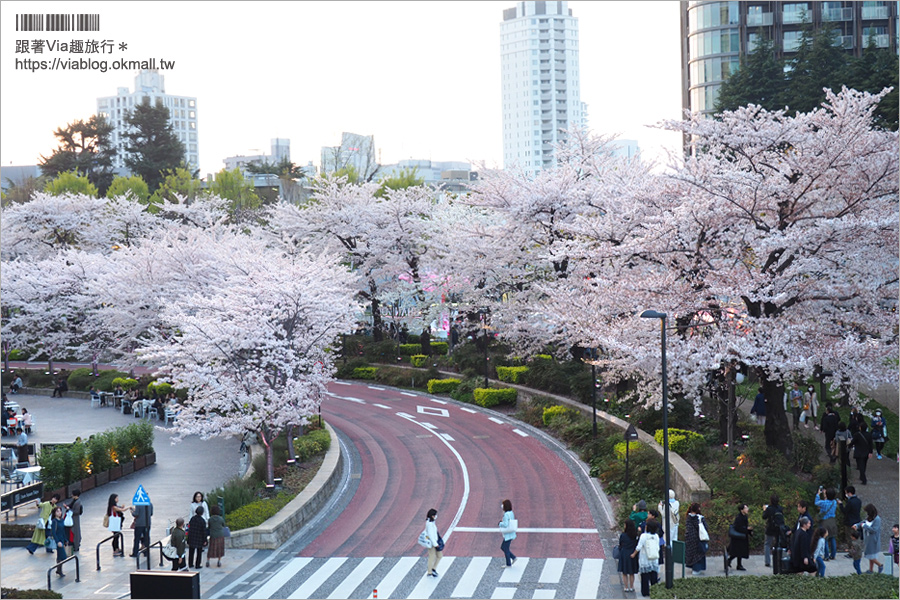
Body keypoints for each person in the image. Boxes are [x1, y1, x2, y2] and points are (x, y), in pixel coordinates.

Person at [633, 520, 660, 597]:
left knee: (645, 577)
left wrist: (633, 554)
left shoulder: (643, 536)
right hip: (654, 558)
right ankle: (655, 591)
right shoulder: (656, 536)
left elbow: (638, 547)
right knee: (654, 576)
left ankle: (645, 592)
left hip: (645, 559)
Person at [856, 504, 884, 573]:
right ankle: (871, 569)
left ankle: (880, 565)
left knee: (870, 555)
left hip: (873, 540)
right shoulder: (870, 517)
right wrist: (857, 525)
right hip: (868, 539)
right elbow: (863, 522)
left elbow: (874, 530)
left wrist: (864, 526)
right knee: (871, 555)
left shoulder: (877, 519)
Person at [684, 503, 709, 576]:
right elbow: (706, 527)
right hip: (699, 539)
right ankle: (697, 569)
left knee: (691, 554)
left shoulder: (688, 517)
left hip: (690, 539)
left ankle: (692, 567)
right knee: (699, 554)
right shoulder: (700, 518)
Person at [726, 503, 752, 571]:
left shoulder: (744, 517)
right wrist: (747, 529)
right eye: (745, 508)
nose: (747, 509)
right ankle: (734, 563)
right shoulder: (739, 518)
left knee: (739, 551)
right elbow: (738, 527)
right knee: (738, 551)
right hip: (738, 537)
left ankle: (737, 564)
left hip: (742, 537)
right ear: (741, 510)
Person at [814, 487, 838, 560]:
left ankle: (826, 555)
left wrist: (818, 494)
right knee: (832, 537)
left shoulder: (823, 503)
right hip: (832, 521)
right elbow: (829, 500)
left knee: (825, 538)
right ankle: (833, 555)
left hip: (824, 522)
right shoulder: (835, 502)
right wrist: (826, 495)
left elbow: (816, 502)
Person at [762, 494, 785, 568]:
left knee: (767, 544)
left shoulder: (769, 508)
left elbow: (764, 517)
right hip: (779, 529)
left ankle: (767, 561)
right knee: (777, 544)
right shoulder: (780, 508)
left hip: (770, 528)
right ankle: (778, 559)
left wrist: (765, 510)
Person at [839, 485, 862, 555]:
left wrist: (840, 504)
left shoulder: (850, 502)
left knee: (850, 538)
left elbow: (845, 511)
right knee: (857, 537)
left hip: (849, 522)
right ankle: (857, 551)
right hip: (857, 520)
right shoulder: (858, 501)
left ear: (849, 493)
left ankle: (851, 552)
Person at [618, 519, 639, 591]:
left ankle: (626, 587)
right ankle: (632, 586)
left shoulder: (623, 535)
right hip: (633, 553)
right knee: (631, 572)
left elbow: (620, 544)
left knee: (624, 572)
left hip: (624, 553)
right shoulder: (635, 535)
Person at [850, 421, 872, 485]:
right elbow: (870, 444)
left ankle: (864, 479)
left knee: (860, 466)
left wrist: (848, 446)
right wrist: (870, 452)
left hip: (859, 452)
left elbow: (853, 442)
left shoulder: (857, 434)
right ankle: (862, 476)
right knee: (864, 465)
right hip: (866, 452)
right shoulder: (869, 435)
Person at [49, 505, 68, 576]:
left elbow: (63, 531)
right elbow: (53, 532)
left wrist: (66, 539)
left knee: (60, 556)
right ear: (54, 513)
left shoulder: (62, 520)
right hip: (58, 540)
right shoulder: (54, 521)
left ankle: (59, 570)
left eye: (60, 511)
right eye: (57, 511)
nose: (59, 513)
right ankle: (59, 569)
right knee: (62, 556)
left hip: (62, 539)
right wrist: (57, 542)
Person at [424, 507, 443, 576]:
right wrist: (435, 544)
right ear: (432, 516)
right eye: (435, 515)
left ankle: (433, 569)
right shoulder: (429, 524)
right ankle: (430, 571)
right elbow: (431, 535)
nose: (436, 516)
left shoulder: (431, 522)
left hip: (435, 542)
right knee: (432, 556)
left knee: (439, 555)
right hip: (432, 543)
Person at [65, 488, 84, 553]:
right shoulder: (74, 500)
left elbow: (76, 511)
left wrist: (69, 509)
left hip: (74, 519)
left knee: (74, 532)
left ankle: (75, 546)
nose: (71, 495)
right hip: (72, 518)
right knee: (71, 532)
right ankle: (73, 547)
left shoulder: (78, 502)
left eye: (72, 494)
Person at [499, 500, 516, 568]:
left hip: (508, 534)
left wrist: (500, 523)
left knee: (505, 548)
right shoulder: (511, 513)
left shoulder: (506, 514)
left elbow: (505, 524)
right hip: (511, 533)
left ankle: (509, 563)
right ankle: (513, 557)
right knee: (504, 547)